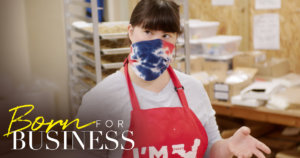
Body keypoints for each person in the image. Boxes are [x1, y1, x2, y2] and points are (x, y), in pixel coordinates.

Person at [76, 0, 271, 157]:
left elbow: (210, 148)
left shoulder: (193, 88)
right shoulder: (101, 99)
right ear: (131, 32)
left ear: (176, 39)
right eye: (148, 32)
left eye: (166, 35)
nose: (156, 43)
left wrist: (227, 147)